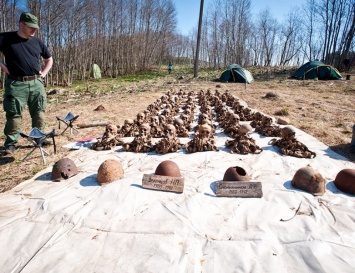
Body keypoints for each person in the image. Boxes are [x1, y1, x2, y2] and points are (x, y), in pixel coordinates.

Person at [0, 12, 53, 155]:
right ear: (21, 24)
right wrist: (3, 66)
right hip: (16, 84)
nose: (34, 30)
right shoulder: (5, 38)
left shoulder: (37, 42)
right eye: (31, 27)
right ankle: (11, 144)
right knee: (14, 115)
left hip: (36, 83)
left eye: (36, 28)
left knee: (39, 113)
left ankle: (39, 137)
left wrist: (43, 73)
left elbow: (49, 59)